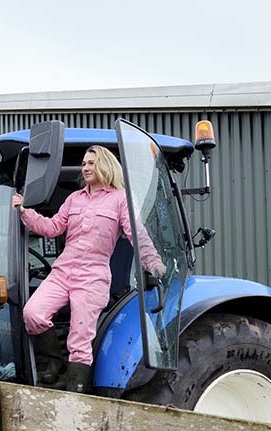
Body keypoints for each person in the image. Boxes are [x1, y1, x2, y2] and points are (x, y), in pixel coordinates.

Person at [12, 145, 165, 393]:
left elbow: (137, 233)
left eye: (91, 163)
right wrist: (25, 212)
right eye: (84, 163)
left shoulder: (119, 199)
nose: (85, 167)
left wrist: (153, 261)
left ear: (105, 165)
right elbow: (52, 228)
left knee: (80, 337)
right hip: (63, 271)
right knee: (33, 313)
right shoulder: (74, 199)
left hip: (93, 276)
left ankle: (76, 388)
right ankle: (55, 365)